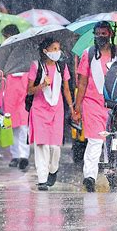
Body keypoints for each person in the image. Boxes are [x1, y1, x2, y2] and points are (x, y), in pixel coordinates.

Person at [74, 21, 117, 192]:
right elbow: (82, 83)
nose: (101, 36)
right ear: (94, 35)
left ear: (110, 34)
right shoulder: (88, 54)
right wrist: (77, 107)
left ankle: (114, 176)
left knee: (113, 142)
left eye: (104, 33)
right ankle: (90, 177)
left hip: (115, 105)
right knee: (94, 141)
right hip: (92, 103)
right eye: (98, 33)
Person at [27, 37, 74, 191]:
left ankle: (53, 169)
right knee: (41, 145)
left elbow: (66, 89)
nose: (57, 52)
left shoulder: (62, 66)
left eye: (58, 49)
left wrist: (72, 109)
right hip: (39, 109)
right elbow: (29, 90)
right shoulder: (36, 66)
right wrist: (42, 85)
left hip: (56, 109)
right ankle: (42, 178)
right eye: (54, 49)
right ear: (45, 51)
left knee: (55, 147)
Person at [0, 24, 32, 169]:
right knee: (11, 124)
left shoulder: (26, 49)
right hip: (10, 86)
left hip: (23, 84)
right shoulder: (4, 50)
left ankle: (24, 155)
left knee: (24, 124)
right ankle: (15, 155)